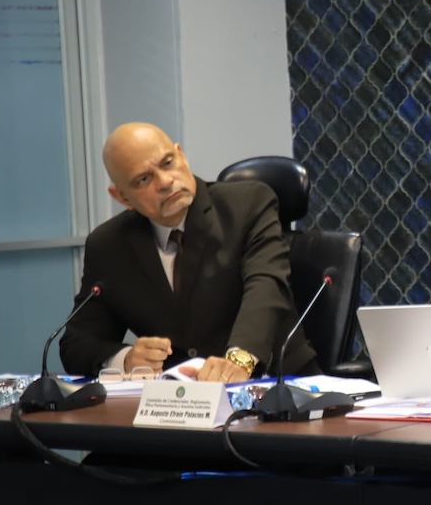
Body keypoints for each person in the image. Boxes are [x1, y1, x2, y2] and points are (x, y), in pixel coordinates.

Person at [59, 122, 317, 382]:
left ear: (181, 155)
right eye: (144, 179)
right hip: (179, 397)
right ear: (122, 197)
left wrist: (239, 360)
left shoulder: (247, 205)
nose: (165, 182)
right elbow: (76, 344)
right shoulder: (109, 245)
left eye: (168, 163)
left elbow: (266, 287)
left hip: (280, 382)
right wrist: (126, 359)